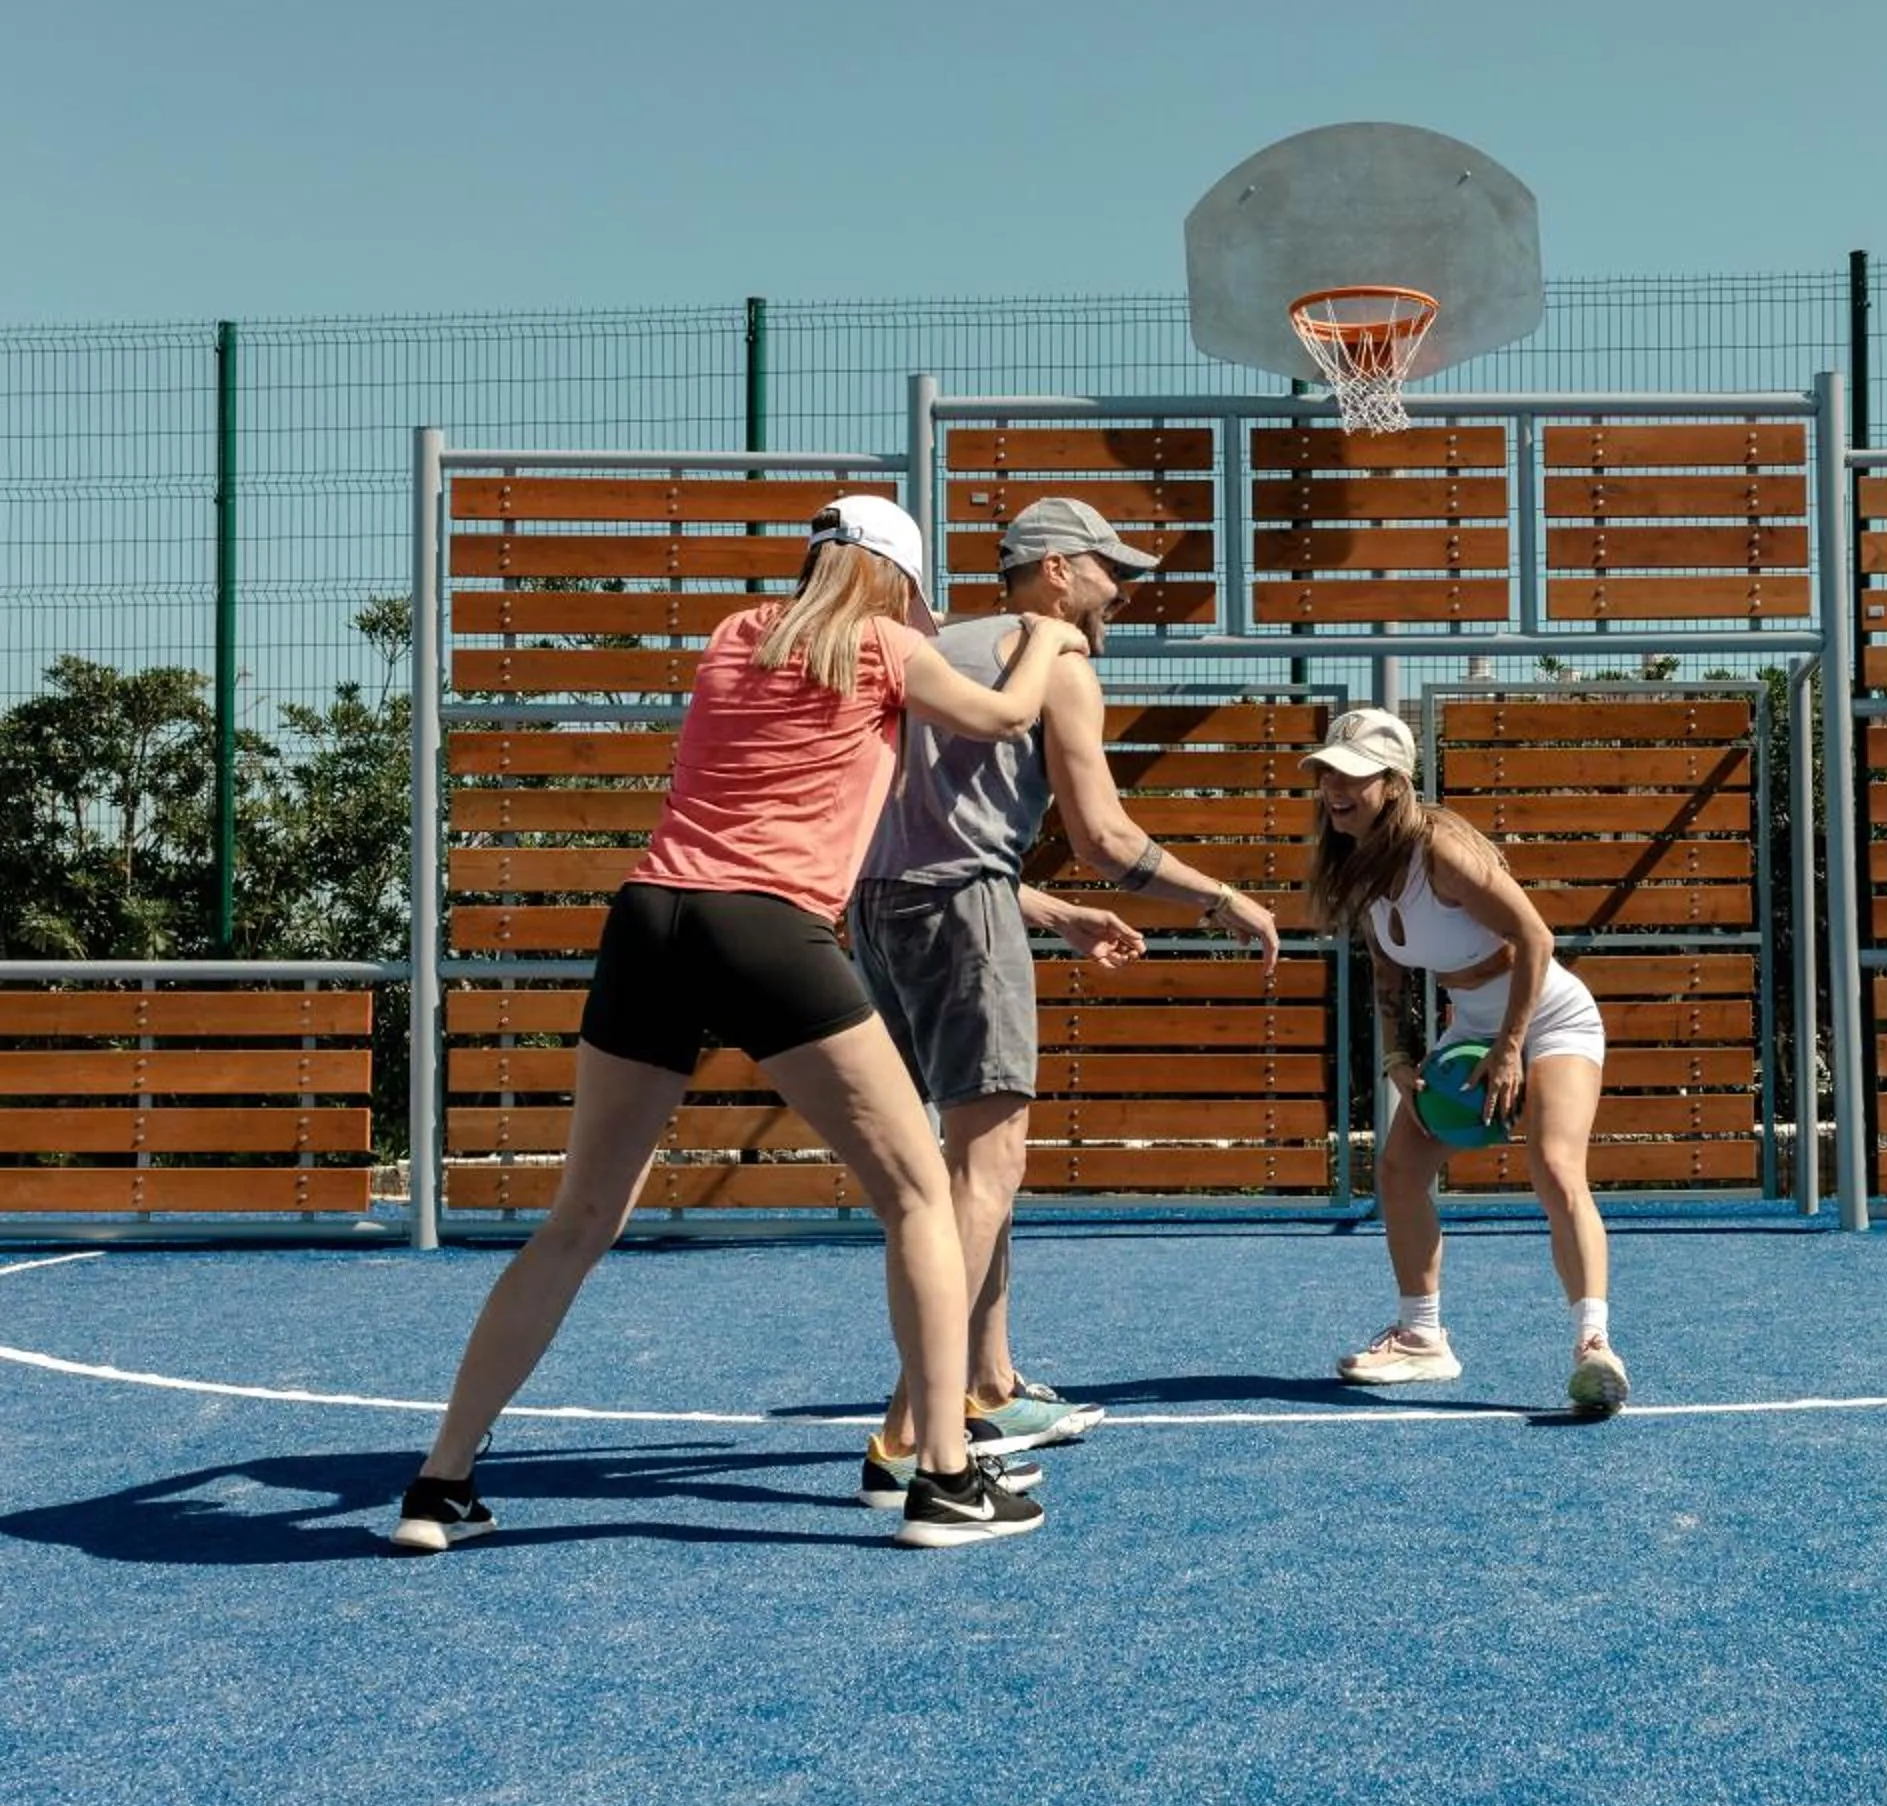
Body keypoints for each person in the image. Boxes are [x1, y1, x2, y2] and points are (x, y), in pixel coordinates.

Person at [391, 495, 1092, 1552]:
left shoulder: (733, 633)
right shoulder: (887, 645)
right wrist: (1041, 637)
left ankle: (439, 1483)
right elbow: (1000, 719)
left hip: (650, 918)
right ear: (899, 581)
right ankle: (944, 1478)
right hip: (764, 927)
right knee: (918, 1195)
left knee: (579, 1219)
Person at [848, 495, 1283, 1505]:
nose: (1121, 592)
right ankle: (913, 1430)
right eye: (1108, 571)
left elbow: (914, 828)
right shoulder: (1064, 665)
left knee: (961, 1164)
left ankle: (988, 1381)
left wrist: (1044, 910)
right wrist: (1219, 897)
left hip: (877, 913)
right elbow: (1105, 837)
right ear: (1053, 570)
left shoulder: (923, 643)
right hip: (961, 915)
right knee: (988, 1169)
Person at [1301, 706, 1630, 1415]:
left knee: (1553, 1164)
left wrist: (1511, 1047)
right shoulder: (1361, 866)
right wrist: (1396, 1059)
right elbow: (1387, 971)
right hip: (1476, 1027)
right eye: (1327, 773)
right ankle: (1422, 1339)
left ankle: (1593, 1345)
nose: (1334, 788)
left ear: (1393, 784)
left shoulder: (1440, 850)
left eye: (1353, 776)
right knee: (1397, 1168)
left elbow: (1537, 937)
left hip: (1549, 1016)